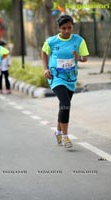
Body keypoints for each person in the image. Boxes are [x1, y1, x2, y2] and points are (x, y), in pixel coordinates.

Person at [41, 15, 89, 148]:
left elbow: (85, 58)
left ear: (72, 26)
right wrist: (45, 69)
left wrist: (79, 58)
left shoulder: (78, 40)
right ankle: (65, 136)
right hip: (55, 77)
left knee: (64, 106)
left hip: (71, 78)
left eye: (69, 28)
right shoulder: (52, 41)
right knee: (66, 103)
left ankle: (57, 131)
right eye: (63, 28)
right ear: (59, 28)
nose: (67, 31)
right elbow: (44, 52)